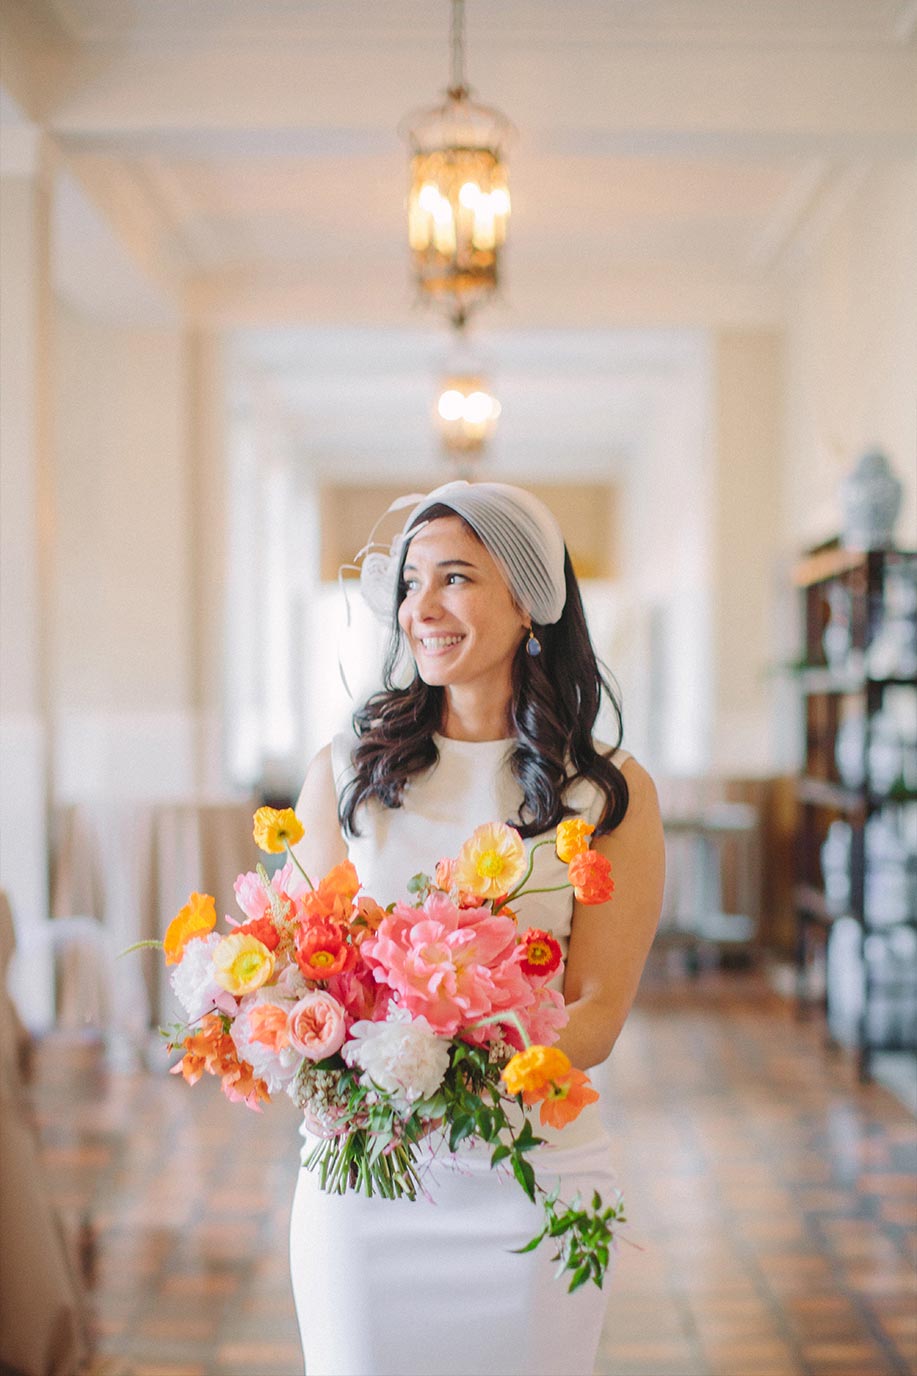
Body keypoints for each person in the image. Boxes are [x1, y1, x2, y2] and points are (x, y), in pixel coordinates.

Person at [289, 480, 665, 1376]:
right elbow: (299, 973)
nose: (421, 608)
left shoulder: (605, 792)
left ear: (528, 603)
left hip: (533, 1181)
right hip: (366, 1181)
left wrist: (446, 1059)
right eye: (411, 584)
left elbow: (600, 1013)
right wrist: (382, 1063)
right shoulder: (346, 770)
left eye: (454, 578)